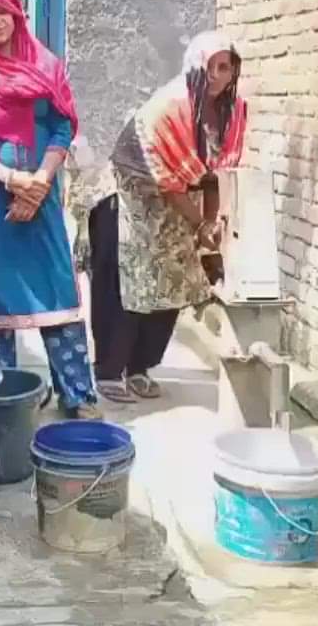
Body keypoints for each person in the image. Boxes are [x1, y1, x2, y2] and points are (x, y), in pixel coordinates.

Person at [0, 0, 100, 420]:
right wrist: (10, 178)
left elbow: (62, 126)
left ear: (16, 12)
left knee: (57, 290)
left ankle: (77, 394)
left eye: (2, 12)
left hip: (40, 193)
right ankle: (4, 399)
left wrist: (39, 184)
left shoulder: (45, 65)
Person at [82, 31, 246, 402]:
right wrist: (200, 224)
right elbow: (169, 182)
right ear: (194, 66)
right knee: (126, 287)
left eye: (225, 67)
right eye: (210, 66)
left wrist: (210, 223)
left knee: (170, 286)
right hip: (130, 199)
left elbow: (215, 175)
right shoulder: (171, 107)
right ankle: (109, 371)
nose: (217, 75)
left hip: (176, 207)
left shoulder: (231, 114)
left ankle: (140, 367)